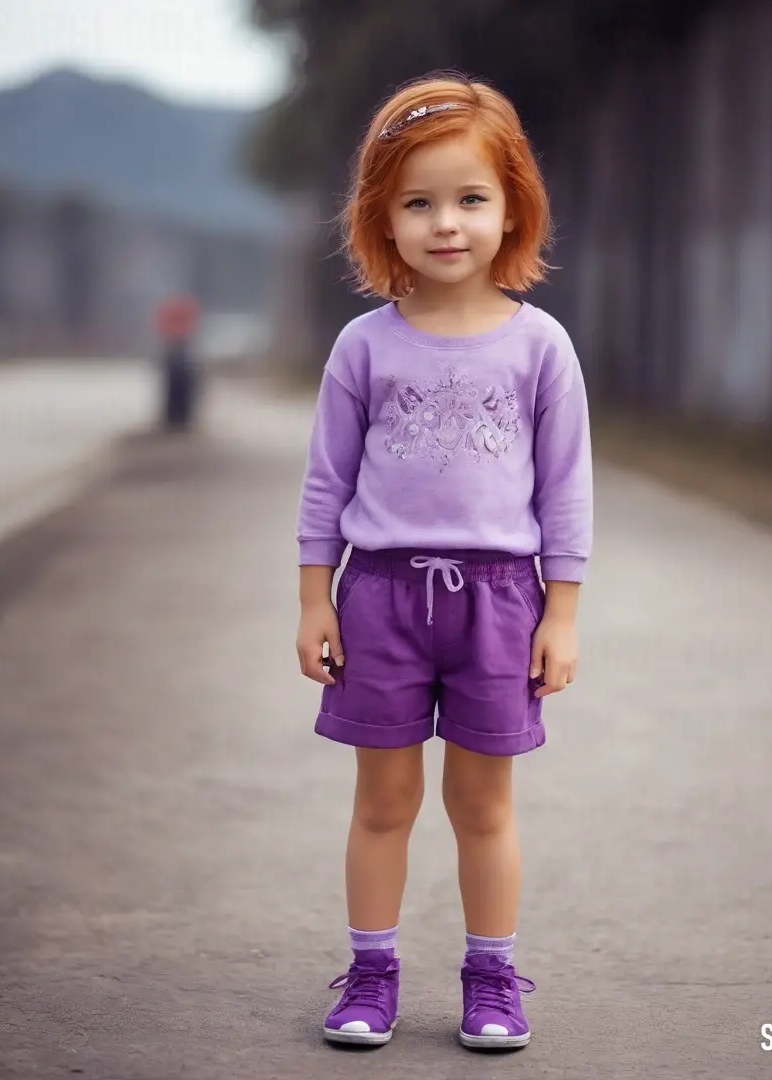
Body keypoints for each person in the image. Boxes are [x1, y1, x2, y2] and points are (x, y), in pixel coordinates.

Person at [294, 71, 593, 1052]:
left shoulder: (541, 347)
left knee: (482, 801)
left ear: (512, 208)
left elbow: (564, 493)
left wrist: (561, 612)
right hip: (379, 596)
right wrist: (314, 603)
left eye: (470, 198)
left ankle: (492, 980)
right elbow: (326, 485)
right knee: (383, 800)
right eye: (418, 202)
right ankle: (371, 973)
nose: (446, 223)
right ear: (383, 216)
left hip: (501, 603)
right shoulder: (363, 347)